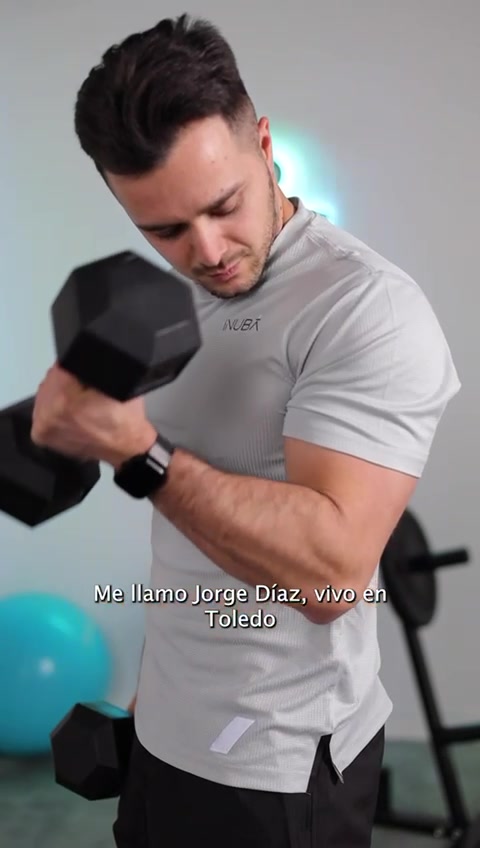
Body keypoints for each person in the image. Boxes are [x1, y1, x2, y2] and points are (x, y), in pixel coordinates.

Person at [31, 13, 461, 848]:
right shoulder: (174, 299)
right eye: (164, 230)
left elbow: (331, 576)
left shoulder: (365, 309)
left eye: (223, 205)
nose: (208, 251)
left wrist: (138, 452)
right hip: (167, 728)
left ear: (263, 144)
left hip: (277, 764)